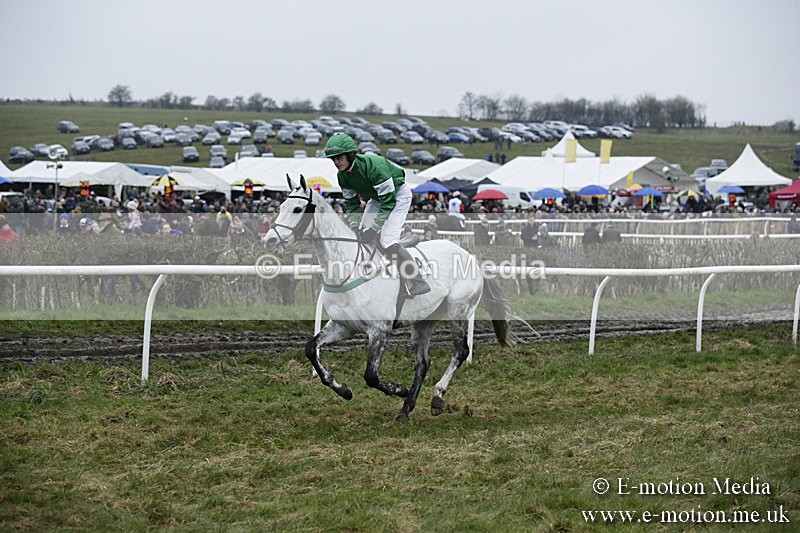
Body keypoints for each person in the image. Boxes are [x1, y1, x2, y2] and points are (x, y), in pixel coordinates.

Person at [325, 133, 430, 297]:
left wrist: (374, 228)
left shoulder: (374, 166)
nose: (336, 162)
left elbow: (388, 202)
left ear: (351, 154)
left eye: (339, 157)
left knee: (387, 240)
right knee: (360, 235)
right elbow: (352, 204)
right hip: (376, 199)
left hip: (397, 197)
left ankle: (417, 280)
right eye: (333, 159)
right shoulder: (342, 176)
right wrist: (354, 225)